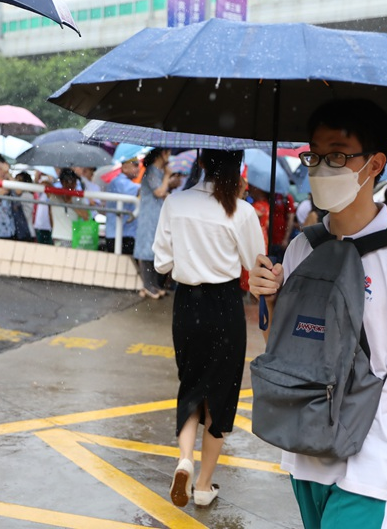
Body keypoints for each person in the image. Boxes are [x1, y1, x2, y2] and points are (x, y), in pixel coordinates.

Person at [249, 99, 387, 529]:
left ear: (375, 164)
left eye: (337, 155)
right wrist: (273, 301)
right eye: (314, 155)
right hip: (304, 449)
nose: (319, 168)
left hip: (374, 461)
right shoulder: (302, 248)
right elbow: (288, 351)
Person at [154, 149, 265, 509]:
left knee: (191, 386)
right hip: (225, 307)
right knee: (220, 393)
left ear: (201, 163)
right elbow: (255, 264)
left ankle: (184, 459)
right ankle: (203, 485)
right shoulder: (242, 210)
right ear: (238, 167)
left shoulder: (175, 202)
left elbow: (162, 263)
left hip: (187, 305)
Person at [133, 148, 173, 299]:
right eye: (167, 153)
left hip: (156, 216)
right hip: (149, 216)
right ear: (162, 154)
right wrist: (168, 176)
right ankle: (148, 285)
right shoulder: (151, 171)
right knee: (146, 250)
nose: (168, 157)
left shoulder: (158, 172)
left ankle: (154, 285)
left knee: (155, 249)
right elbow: (159, 192)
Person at [105, 156, 140, 254]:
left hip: (124, 234)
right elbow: (139, 190)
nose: (139, 168)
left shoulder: (125, 182)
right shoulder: (119, 182)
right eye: (135, 165)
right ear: (124, 167)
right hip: (120, 235)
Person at [50, 168, 90, 247]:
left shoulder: (78, 198)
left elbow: (86, 217)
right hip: (59, 236)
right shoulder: (55, 196)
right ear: (62, 182)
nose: (71, 185)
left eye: (74, 182)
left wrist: (71, 204)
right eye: (68, 181)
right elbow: (44, 184)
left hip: (75, 238)